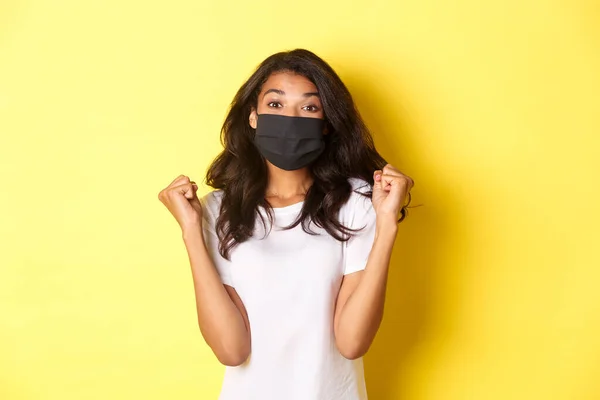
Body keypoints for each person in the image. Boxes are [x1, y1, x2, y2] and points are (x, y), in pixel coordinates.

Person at [158, 49, 414, 400]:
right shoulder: (218, 211)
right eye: (276, 105)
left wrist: (386, 226)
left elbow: (352, 342)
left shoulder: (356, 205)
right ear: (253, 117)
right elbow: (231, 351)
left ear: (326, 124)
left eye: (309, 108)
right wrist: (190, 231)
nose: (291, 119)